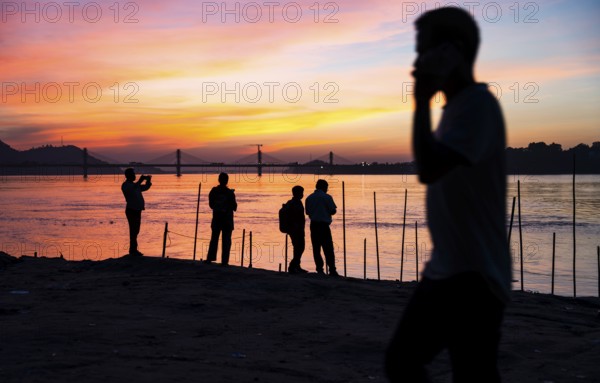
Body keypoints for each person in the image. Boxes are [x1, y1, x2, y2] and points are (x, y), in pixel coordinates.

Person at [385, 8, 511, 383]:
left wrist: (421, 101)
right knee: (457, 372)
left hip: (472, 275)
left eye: (423, 50)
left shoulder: (477, 106)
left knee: (410, 363)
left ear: (453, 50)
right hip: (451, 269)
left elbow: (428, 168)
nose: (417, 61)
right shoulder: (457, 109)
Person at [305, 179, 338, 276]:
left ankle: (319, 269)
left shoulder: (309, 198)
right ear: (324, 187)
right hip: (324, 226)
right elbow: (333, 211)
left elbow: (307, 212)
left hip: (314, 225)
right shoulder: (327, 197)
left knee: (316, 248)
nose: (327, 189)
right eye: (327, 187)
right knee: (328, 248)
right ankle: (332, 269)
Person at [206, 172, 237, 265]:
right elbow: (234, 207)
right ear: (227, 181)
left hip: (216, 219)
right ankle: (224, 261)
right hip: (227, 220)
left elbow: (211, 205)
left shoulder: (214, 191)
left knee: (214, 239)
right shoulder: (229, 193)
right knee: (226, 241)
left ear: (219, 180)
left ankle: (210, 258)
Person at [121, 168, 152, 256]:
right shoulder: (125, 185)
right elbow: (132, 189)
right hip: (131, 210)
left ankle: (133, 249)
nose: (135, 176)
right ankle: (133, 250)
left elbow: (145, 188)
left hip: (137, 210)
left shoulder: (134, 185)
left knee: (136, 230)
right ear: (129, 175)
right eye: (133, 174)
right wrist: (140, 181)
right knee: (133, 230)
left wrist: (148, 181)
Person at [286, 185, 308, 274]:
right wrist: (295, 226)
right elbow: (292, 216)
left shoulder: (296, 202)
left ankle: (297, 266)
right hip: (296, 230)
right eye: (302, 192)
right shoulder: (294, 203)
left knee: (298, 248)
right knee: (300, 247)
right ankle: (292, 266)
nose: (302, 194)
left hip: (298, 229)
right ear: (297, 193)